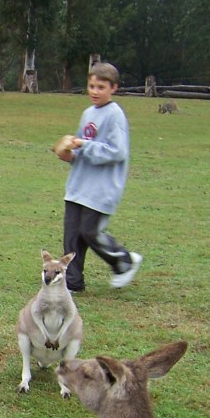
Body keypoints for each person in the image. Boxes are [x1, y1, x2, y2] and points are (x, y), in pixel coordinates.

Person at [55, 61, 142, 292]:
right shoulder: (88, 113)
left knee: (90, 231)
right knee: (72, 236)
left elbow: (117, 151)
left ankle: (124, 260)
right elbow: (83, 151)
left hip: (101, 188)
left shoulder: (115, 115)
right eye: (91, 86)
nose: (94, 91)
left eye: (101, 87)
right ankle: (72, 282)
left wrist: (83, 144)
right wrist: (70, 156)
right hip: (78, 185)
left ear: (113, 88)